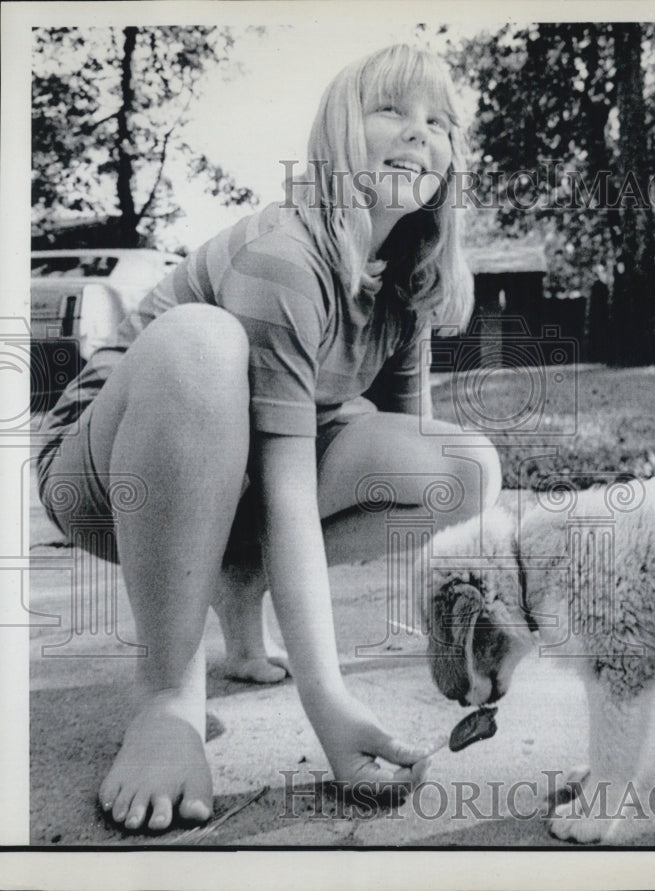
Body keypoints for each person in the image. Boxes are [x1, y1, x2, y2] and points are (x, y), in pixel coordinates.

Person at [36, 44, 501, 832]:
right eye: (391, 109)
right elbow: (288, 491)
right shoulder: (287, 253)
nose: (418, 132)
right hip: (108, 478)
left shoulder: (406, 282)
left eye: (438, 122)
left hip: (232, 481)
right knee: (201, 342)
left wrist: (481, 625)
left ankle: (235, 589)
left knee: (461, 463)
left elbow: (387, 441)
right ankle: (167, 697)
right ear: (334, 134)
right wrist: (330, 702)